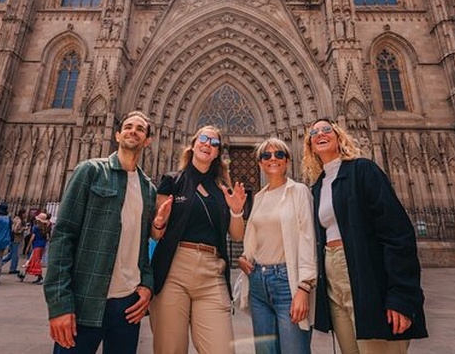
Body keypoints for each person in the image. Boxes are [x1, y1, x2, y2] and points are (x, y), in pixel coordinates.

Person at [302, 118, 427, 354]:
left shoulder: (363, 170)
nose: (320, 133)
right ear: (309, 145)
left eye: (327, 129)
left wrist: (401, 296)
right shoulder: (318, 187)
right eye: (314, 132)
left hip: (366, 273)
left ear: (339, 137)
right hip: (333, 277)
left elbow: (398, 234)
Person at [44, 111, 158, 354]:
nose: (133, 131)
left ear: (147, 141)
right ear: (117, 134)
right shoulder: (90, 171)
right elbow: (63, 236)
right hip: (85, 302)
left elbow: (141, 246)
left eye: (140, 129)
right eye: (128, 126)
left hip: (127, 305)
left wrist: (146, 285)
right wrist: (59, 305)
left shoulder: (149, 189)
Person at [149, 125, 247, 354]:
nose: (207, 144)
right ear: (192, 145)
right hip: (174, 268)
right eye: (203, 138)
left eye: (214, 143)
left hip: (212, 272)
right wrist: (159, 222)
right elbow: (155, 234)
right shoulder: (172, 181)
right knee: (169, 349)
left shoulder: (223, 188)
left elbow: (237, 235)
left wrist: (236, 211)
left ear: (217, 154)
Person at [237, 138, 316, 354]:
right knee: (265, 351)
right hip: (258, 283)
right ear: (260, 163)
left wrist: (304, 287)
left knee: (294, 349)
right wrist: (245, 257)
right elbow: (256, 236)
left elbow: (308, 239)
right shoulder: (260, 197)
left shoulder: (299, 192)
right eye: (266, 155)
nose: (273, 158)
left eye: (279, 154)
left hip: (286, 283)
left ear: (287, 160)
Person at [21, 212, 50, 284]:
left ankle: (40, 277)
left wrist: (28, 246)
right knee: (34, 260)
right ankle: (24, 274)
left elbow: (32, 237)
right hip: (42, 246)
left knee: (36, 261)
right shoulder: (46, 227)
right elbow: (47, 237)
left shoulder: (36, 227)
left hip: (36, 245)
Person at [3, 208, 26, 274]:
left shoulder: (15, 219)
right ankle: (12, 269)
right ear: (22, 214)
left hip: (13, 238)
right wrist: (23, 229)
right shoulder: (19, 221)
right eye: (24, 213)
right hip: (16, 239)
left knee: (11, 254)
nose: (25, 215)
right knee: (15, 255)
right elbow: (15, 230)